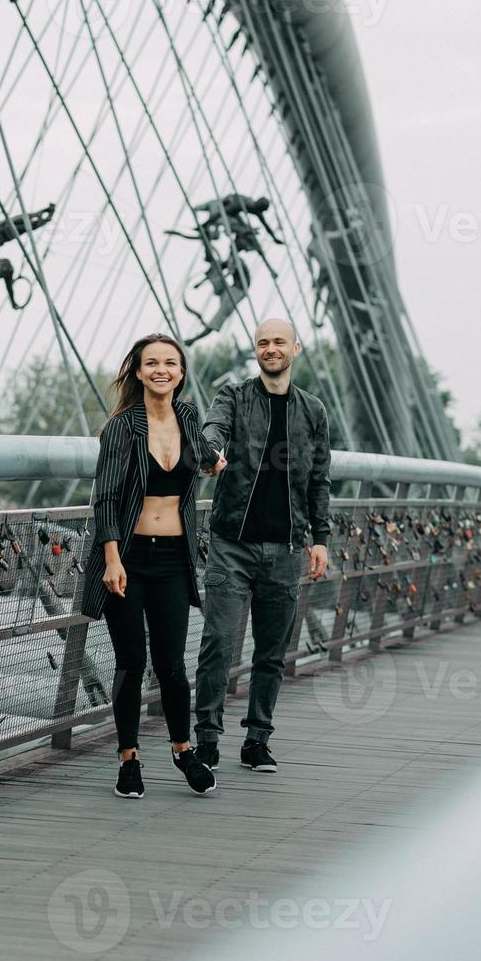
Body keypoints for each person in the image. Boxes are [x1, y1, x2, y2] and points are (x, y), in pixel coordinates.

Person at [81, 334, 225, 799]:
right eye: (152, 363)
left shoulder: (187, 416)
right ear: (139, 373)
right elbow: (103, 496)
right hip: (127, 556)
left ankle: (183, 751)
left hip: (174, 559)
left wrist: (213, 460)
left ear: (181, 373)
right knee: (131, 661)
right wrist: (110, 557)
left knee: (171, 664)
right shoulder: (122, 428)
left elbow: (199, 455)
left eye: (171, 363)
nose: (162, 370)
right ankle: (129, 760)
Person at [192, 317, 332, 773]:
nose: (270, 349)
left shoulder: (313, 411)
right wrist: (210, 451)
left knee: (273, 650)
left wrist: (321, 539)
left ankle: (257, 740)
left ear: (297, 348)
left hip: (288, 547)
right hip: (232, 542)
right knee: (218, 641)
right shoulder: (233, 397)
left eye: (278, 342)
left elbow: (318, 479)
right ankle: (208, 739)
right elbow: (213, 428)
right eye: (262, 343)